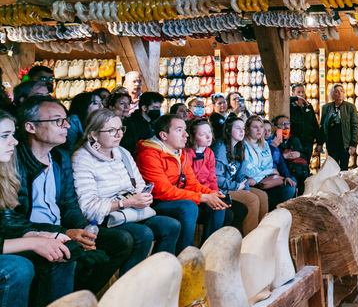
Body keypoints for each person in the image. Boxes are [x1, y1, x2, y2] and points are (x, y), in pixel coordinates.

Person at [14, 95, 132, 294]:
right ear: (30, 127)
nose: (67, 126)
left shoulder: (60, 157)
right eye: (57, 121)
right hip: (31, 233)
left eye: (66, 120)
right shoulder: (15, 162)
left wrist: (85, 229)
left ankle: (81, 295)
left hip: (61, 227)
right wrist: (66, 234)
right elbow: (14, 220)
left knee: (121, 241)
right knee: (65, 254)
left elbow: (69, 205)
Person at [72, 109, 181, 274]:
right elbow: (88, 207)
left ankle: (160, 276)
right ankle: (129, 287)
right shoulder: (82, 158)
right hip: (106, 218)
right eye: (111, 131)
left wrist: (144, 196)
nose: (118, 134)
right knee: (143, 234)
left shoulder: (122, 152)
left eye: (120, 129)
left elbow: (138, 184)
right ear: (94, 135)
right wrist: (125, 203)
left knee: (171, 225)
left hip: (133, 210)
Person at [0, 109, 75, 307]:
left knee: (60, 252)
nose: (14, 141)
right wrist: (33, 242)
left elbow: (6, 224)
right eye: (5, 135)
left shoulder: (4, 170)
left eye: (12, 134)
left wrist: (41, 237)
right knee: (17, 268)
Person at [135, 115, 229, 253]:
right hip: (154, 202)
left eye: (185, 130)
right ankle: (186, 256)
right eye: (179, 130)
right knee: (188, 206)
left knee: (217, 204)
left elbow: (191, 183)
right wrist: (202, 197)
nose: (186, 135)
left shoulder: (179, 152)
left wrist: (212, 194)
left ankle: (208, 253)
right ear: (163, 135)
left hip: (176, 197)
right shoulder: (149, 154)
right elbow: (163, 191)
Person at [211, 118, 268, 235]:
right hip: (222, 188)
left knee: (262, 196)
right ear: (228, 130)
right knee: (252, 199)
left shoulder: (239, 146)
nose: (242, 131)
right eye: (237, 128)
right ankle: (249, 238)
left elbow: (242, 174)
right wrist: (237, 186)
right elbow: (217, 178)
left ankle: (262, 235)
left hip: (235, 186)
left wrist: (245, 189)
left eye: (243, 128)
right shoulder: (220, 147)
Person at [317, 83, 358, 171]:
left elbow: (354, 126)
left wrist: (353, 144)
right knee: (333, 168)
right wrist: (320, 143)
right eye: (336, 92)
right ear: (332, 94)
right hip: (331, 143)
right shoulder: (326, 108)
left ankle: (342, 184)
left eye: (341, 91)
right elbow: (322, 126)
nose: (340, 94)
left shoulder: (350, 108)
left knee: (343, 168)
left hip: (344, 143)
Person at [273, 115, 310, 196]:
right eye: (282, 124)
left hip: (299, 171)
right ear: (276, 127)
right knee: (291, 186)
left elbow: (305, 156)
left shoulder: (294, 139)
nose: (286, 126)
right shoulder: (273, 140)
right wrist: (282, 157)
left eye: (287, 123)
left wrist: (299, 154)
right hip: (284, 172)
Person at [263, 120, 297, 199]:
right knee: (288, 189)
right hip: (266, 176)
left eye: (268, 131)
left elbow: (281, 162)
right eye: (264, 130)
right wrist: (272, 147)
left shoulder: (272, 142)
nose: (267, 133)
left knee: (292, 182)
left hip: (277, 174)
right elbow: (264, 162)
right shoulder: (259, 145)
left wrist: (287, 176)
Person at [290, 83, 320, 162]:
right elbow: (283, 99)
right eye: (298, 92)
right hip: (294, 143)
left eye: (303, 92)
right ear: (293, 94)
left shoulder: (308, 106)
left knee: (306, 164)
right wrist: (294, 99)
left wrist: (319, 142)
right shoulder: (289, 106)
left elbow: (314, 125)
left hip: (307, 142)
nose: (301, 94)